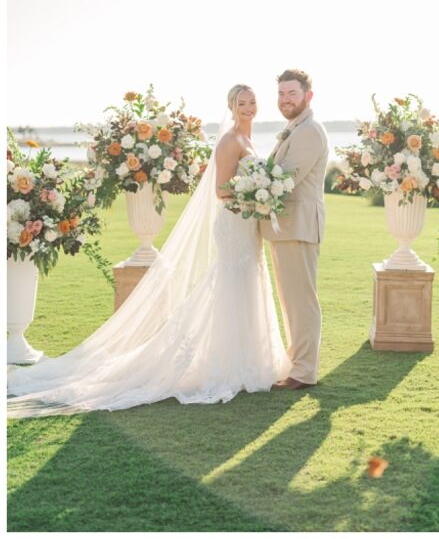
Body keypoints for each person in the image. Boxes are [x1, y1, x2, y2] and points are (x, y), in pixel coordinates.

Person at [7, 85, 291, 416]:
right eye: (242, 103)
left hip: (247, 227)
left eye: (252, 102)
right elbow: (220, 190)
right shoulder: (230, 141)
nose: (249, 107)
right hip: (233, 224)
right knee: (231, 286)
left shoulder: (249, 139)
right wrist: (254, 194)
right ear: (231, 107)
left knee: (244, 287)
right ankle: (230, 364)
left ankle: (247, 359)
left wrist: (261, 195)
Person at [260, 69, 329, 391]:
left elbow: (285, 179)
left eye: (292, 94)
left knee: (301, 301)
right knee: (291, 301)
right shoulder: (294, 129)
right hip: (285, 227)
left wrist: (248, 191)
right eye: (281, 94)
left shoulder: (310, 131)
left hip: (298, 225)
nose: (285, 100)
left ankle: (303, 373)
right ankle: (296, 365)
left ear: (307, 96)